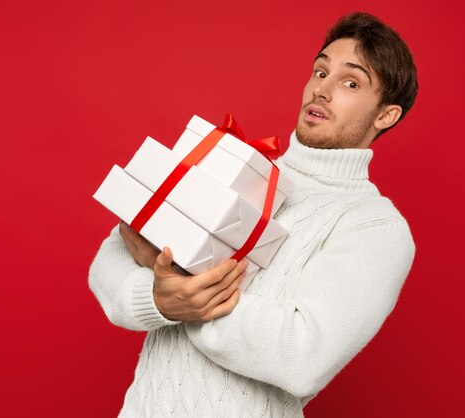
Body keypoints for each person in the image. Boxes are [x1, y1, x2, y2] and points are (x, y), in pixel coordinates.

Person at [89, 11, 418, 417]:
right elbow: (116, 248)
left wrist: (184, 291)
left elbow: (302, 356)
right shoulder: (241, 167)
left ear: (385, 115)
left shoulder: (373, 226)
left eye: (351, 83)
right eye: (320, 72)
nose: (322, 90)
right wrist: (157, 299)